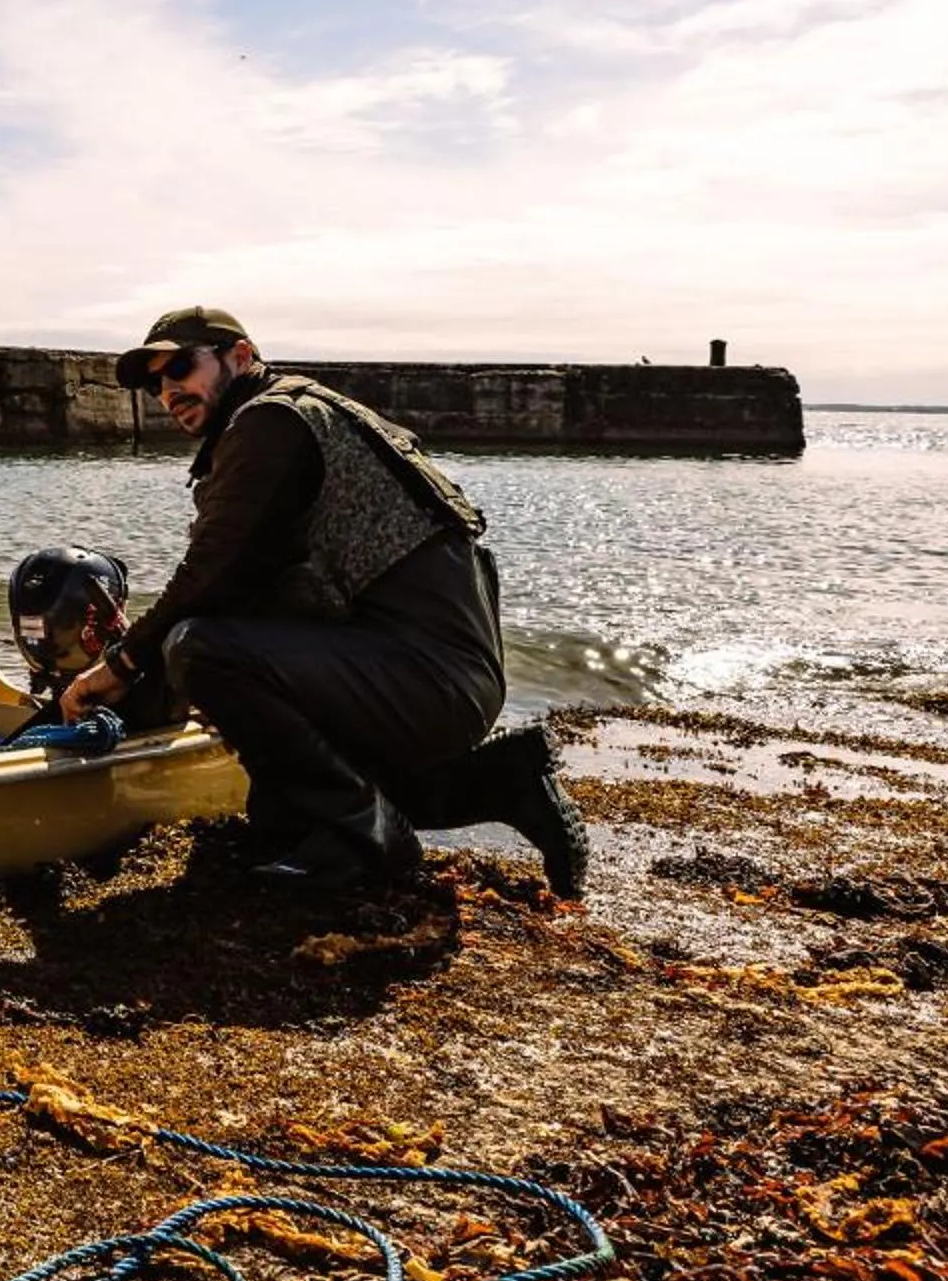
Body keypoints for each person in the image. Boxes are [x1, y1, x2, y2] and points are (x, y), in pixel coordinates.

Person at [58, 307, 592, 896]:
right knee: (230, 667)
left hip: (424, 677)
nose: (168, 391)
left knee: (201, 648)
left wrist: (121, 665)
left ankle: (364, 838)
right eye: (154, 382)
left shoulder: (270, 423)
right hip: (436, 678)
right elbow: (246, 589)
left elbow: (210, 573)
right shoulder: (300, 416)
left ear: (240, 356)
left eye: (181, 366)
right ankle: (504, 783)